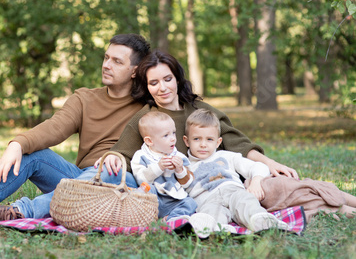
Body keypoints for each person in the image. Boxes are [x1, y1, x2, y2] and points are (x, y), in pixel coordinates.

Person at [0, 34, 151, 228]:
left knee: (110, 171)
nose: (106, 65)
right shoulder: (84, 98)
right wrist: (17, 144)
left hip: (120, 183)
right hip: (78, 181)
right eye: (106, 57)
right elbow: (55, 126)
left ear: (134, 71)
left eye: (117, 61)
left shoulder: (148, 107)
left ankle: (19, 212)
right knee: (34, 154)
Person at [102, 50, 298, 180]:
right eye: (154, 83)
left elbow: (239, 145)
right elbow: (123, 153)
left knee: (282, 185)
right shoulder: (147, 118)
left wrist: (271, 164)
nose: (162, 88)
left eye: (167, 79)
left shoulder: (200, 110)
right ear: (147, 87)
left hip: (223, 178)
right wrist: (114, 156)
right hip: (178, 191)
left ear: (177, 79)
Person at [183, 108, 289, 233]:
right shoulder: (184, 166)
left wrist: (256, 181)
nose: (203, 144)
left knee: (246, 201)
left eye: (209, 139)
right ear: (186, 141)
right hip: (208, 199)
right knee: (210, 212)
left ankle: (262, 221)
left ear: (218, 142)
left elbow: (259, 166)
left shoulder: (227, 156)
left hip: (233, 191)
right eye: (196, 139)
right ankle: (212, 227)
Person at [131, 111, 197, 221]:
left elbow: (188, 184)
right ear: (149, 141)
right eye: (166, 135)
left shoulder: (179, 157)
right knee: (145, 190)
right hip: (153, 197)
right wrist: (158, 167)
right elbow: (140, 178)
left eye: (174, 133)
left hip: (172, 199)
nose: (173, 138)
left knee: (190, 203)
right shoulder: (141, 156)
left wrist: (180, 170)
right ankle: (144, 217)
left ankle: (172, 219)